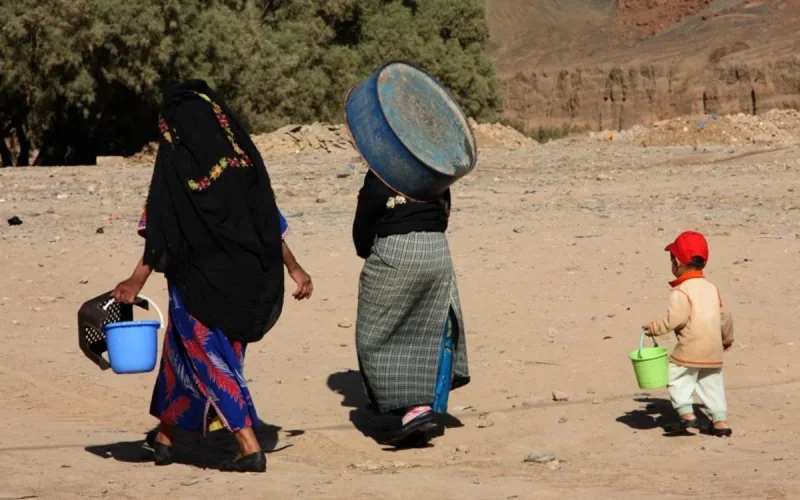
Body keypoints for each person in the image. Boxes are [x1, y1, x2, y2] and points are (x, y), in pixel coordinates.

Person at [112, 80, 313, 472]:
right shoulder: (242, 163)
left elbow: (159, 230)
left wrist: (136, 280)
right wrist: (293, 266)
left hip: (197, 285)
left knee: (209, 360)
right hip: (247, 282)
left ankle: (247, 444)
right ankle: (166, 438)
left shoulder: (175, 168)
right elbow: (268, 223)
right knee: (181, 356)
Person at [351, 170, 469, 445]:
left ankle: (411, 408)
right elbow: (444, 213)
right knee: (427, 327)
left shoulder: (381, 174)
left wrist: (368, 250)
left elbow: (363, 226)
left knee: (374, 335)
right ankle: (422, 405)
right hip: (438, 250)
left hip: (397, 251)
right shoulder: (435, 172)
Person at [642, 231, 734, 437]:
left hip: (690, 348)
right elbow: (725, 316)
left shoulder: (681, 291)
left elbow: (675, 318)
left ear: (677, 262)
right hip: (713, 350)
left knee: (678, 376)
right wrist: (727, 338)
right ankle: (720, 422)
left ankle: (686, 414)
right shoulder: (711, 288)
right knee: (712, 384)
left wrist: (654, 328)